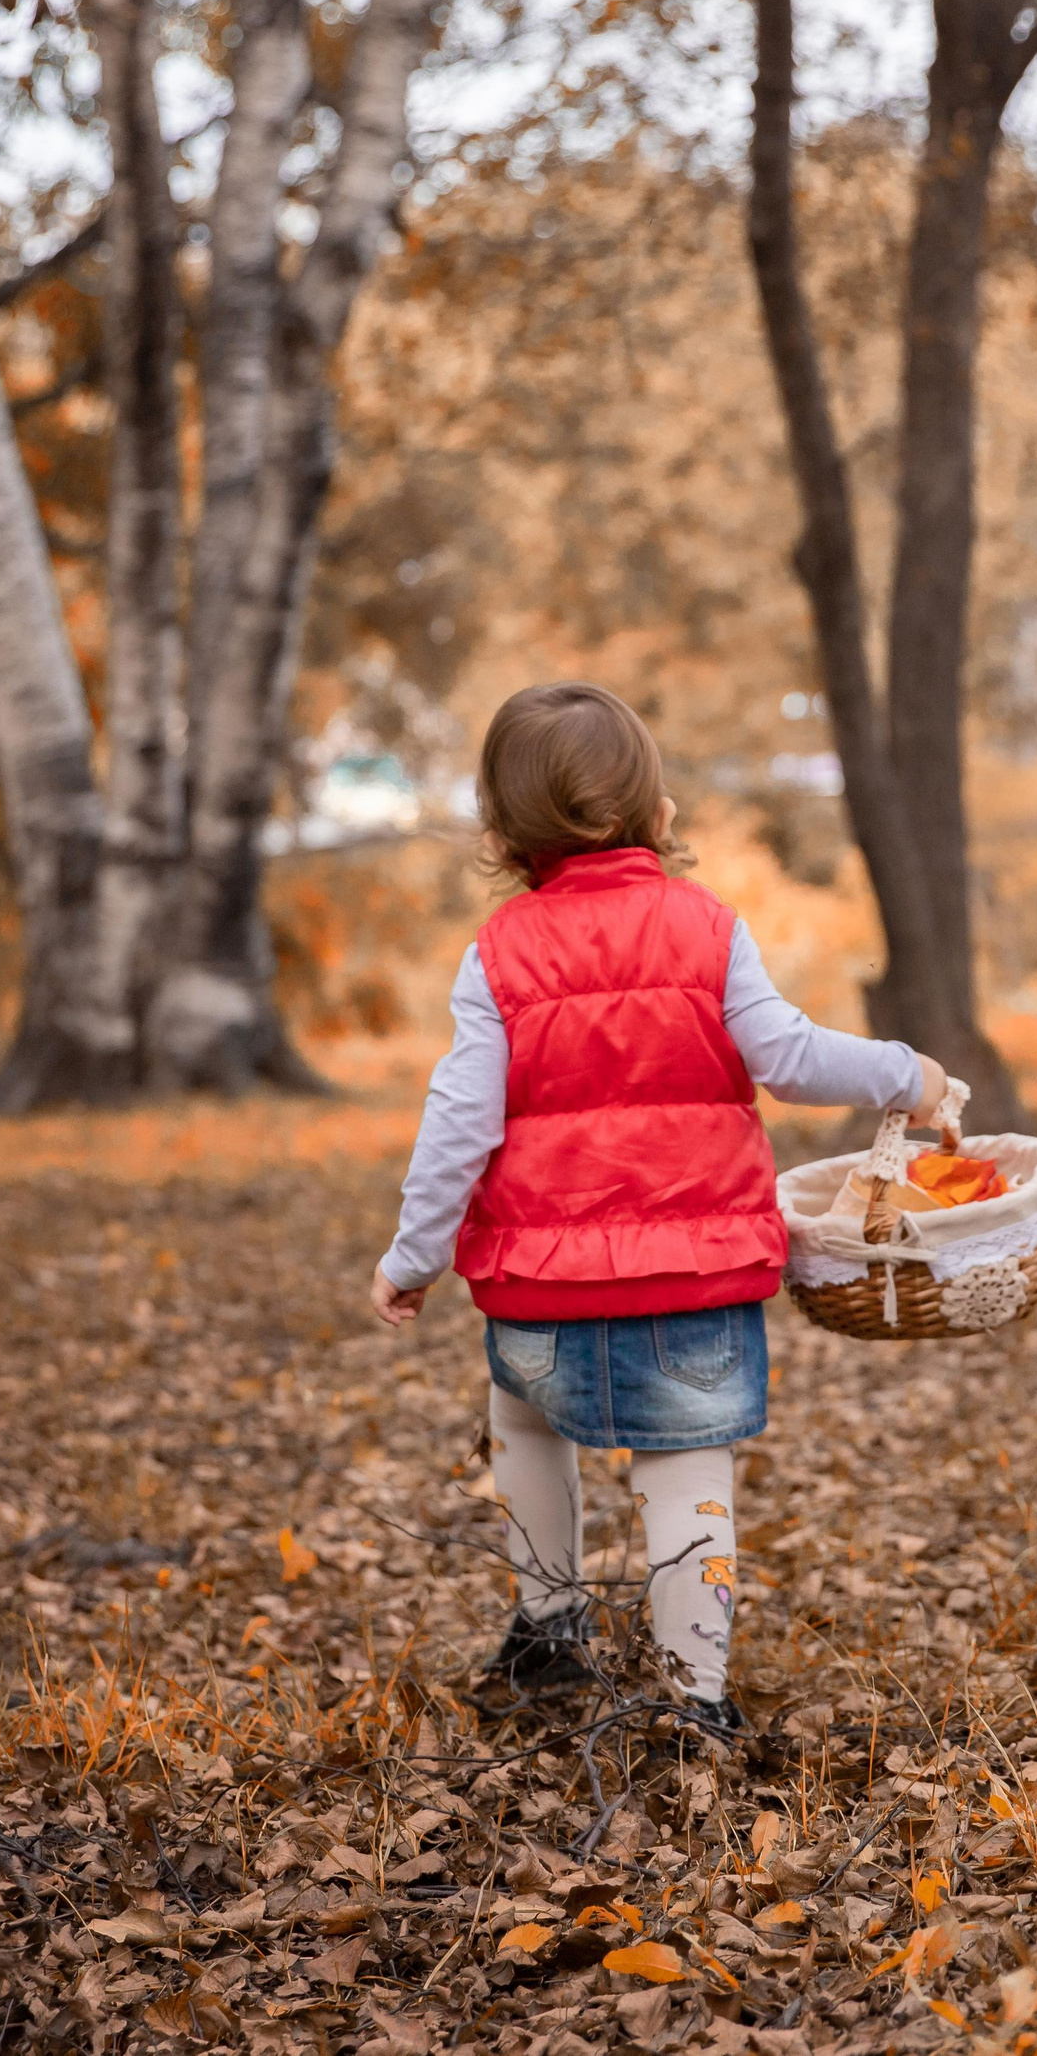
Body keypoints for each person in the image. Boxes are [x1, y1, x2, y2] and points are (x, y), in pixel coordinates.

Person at [370, 681, 946, 1733]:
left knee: (522, 1419)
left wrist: (414, 1256)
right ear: (657, 809)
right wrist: (906, 1073)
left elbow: (457, 1123)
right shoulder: (707, 928)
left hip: (541, 1288)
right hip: (693, 1274)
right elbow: (792, 1055)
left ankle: (547, 1624)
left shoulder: (496, 954)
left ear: (502, 832)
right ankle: (696, 1698)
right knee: (687, 1470)